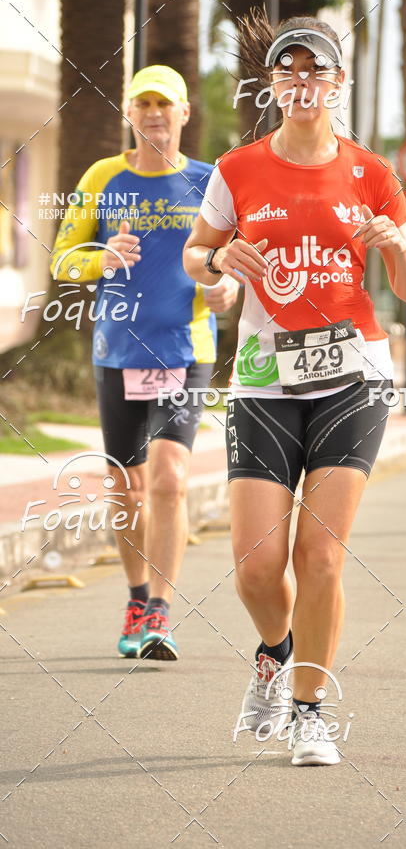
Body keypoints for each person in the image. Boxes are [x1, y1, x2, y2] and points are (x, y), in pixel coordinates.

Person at [183, 11, 406, 765]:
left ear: (337, 83)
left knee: (319, 556)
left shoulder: (371, 174)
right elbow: (196, 252)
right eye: (288, 71)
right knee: (257, 569)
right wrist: (220, 261)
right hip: (264, 376)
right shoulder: (238, 169)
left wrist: (396, 247)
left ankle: (310, 710)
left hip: (353, 375)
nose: (302, 82)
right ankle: (274, 650)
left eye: (316, 71)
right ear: (272, 85)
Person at [50, 65, 239, 660]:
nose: (154, 113)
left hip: (185, 352)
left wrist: (226, 290)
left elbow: (232, 264)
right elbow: (62, 260)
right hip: (118, 352)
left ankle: (160, 608)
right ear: (129, 113)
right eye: (143, 104)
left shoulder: (208, 181)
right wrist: (100, 257)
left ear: (184, 113)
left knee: (169, 478)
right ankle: (136, 598)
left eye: (165, 104)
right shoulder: (102, 177)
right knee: (125, 485)